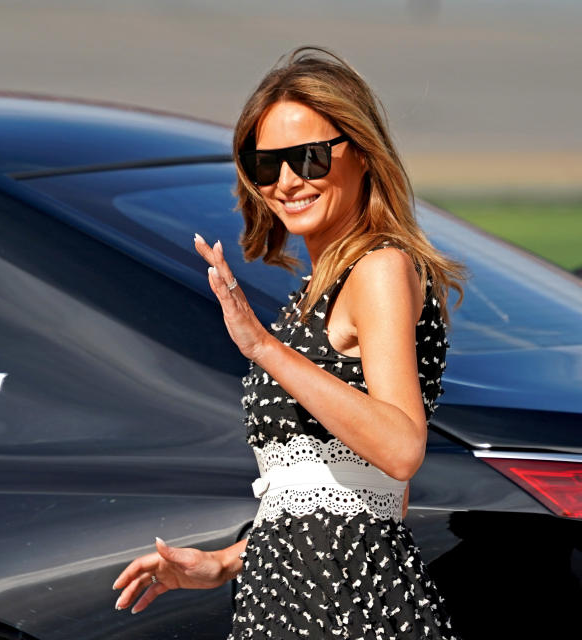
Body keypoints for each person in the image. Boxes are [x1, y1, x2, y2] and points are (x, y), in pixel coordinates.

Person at [112, 45, 467, 639]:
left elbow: (400, 450)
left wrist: (263, 348)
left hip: (345, 606)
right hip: (295, 593)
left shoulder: (377, 268)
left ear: (362, 154)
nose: (286, 181)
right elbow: (338, 493)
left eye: (308, 157)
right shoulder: (317, 285)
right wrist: (225, 563)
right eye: (263, 164)